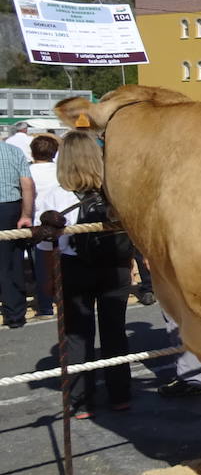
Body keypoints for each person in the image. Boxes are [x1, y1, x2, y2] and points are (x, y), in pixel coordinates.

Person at [34, 131, 134, 416]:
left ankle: (80, 401)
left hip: (73, 266)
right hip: (114, 267)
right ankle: (120, 394)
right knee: (115, 333)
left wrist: (48, 280)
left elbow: (46, 243)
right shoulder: (114, 191)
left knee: (77, 335)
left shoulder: (55, 193)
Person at [0, 137, 34, 328]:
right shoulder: (14, 151)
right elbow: (27, 185)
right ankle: (15, 314)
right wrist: (26, 214)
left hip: (9, 206)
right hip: (10, 208)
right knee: (12, 261)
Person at [27, 134, 61, 321]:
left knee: (41, 268)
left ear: (32, 152)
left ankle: (45, 306)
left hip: (36, 225)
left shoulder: (28, 171)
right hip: (61, 223)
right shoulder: (59, 171)